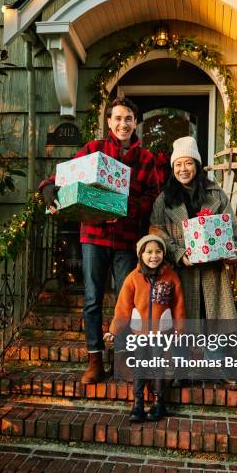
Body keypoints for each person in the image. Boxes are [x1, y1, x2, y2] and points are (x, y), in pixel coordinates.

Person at [40, 97, 159, 384]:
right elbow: (61, 177)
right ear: (109, 122)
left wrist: (124, 209)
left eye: (128, 118)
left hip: (128, 239)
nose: (123, 124)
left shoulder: (147, 159)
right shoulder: (93, 150)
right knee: (92, 298)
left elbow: (152, 198)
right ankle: (95, 358)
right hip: (93, 236)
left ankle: (122, 357)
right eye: (117, 118)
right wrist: (48, 189)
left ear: (135, 123)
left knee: (127, 301)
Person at [150, 135, 237, 323]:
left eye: (188, 163)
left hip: (212, 274)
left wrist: (233, 250)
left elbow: (231, 228)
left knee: (215, 334)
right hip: (180, 272)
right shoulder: (164, 199)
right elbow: (156, 230)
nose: (183, 169)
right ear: (173, 168)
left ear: (197, 166)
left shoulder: (215, 194)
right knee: (181, 332)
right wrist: (178, 253)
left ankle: (214, 353)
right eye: (178, 164)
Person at [105, 235, 185, 421]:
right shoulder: (133, 278)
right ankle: (138, 404)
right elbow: (123, 308)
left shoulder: (171, 277)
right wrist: (113, 331)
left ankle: (159, 404)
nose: (153, 256)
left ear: (163, 254)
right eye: (149, 252)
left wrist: (179, 330)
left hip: (161, 332)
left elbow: (179, 306)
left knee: (158, 366)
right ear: (141, 254)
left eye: (158, 251)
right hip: (139, 332)